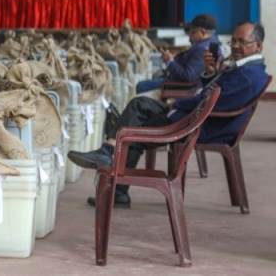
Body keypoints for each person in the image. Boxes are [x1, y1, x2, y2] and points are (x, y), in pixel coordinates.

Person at [69, 22, 268, 207]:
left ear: (257, 46)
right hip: (195, 116)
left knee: (132, 130)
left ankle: (115, 175)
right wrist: (210, 73)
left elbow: (209, 102)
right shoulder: (247, 68)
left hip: (200, 124)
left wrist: (176, 104)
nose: (235, 46)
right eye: (233, 41)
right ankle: (109, 153)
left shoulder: (247, 75)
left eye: (242, 42)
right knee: (139, 105)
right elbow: (210, 94)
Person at [136, 14, 220, 93]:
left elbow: (188, 77)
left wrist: (169, 61)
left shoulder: (201, 48)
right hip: (179, 82)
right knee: (156, 75)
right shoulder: (211, 43)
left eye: (193, 32)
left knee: (140, 86)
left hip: (181, 87)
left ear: (203, 32)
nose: (189, 37)